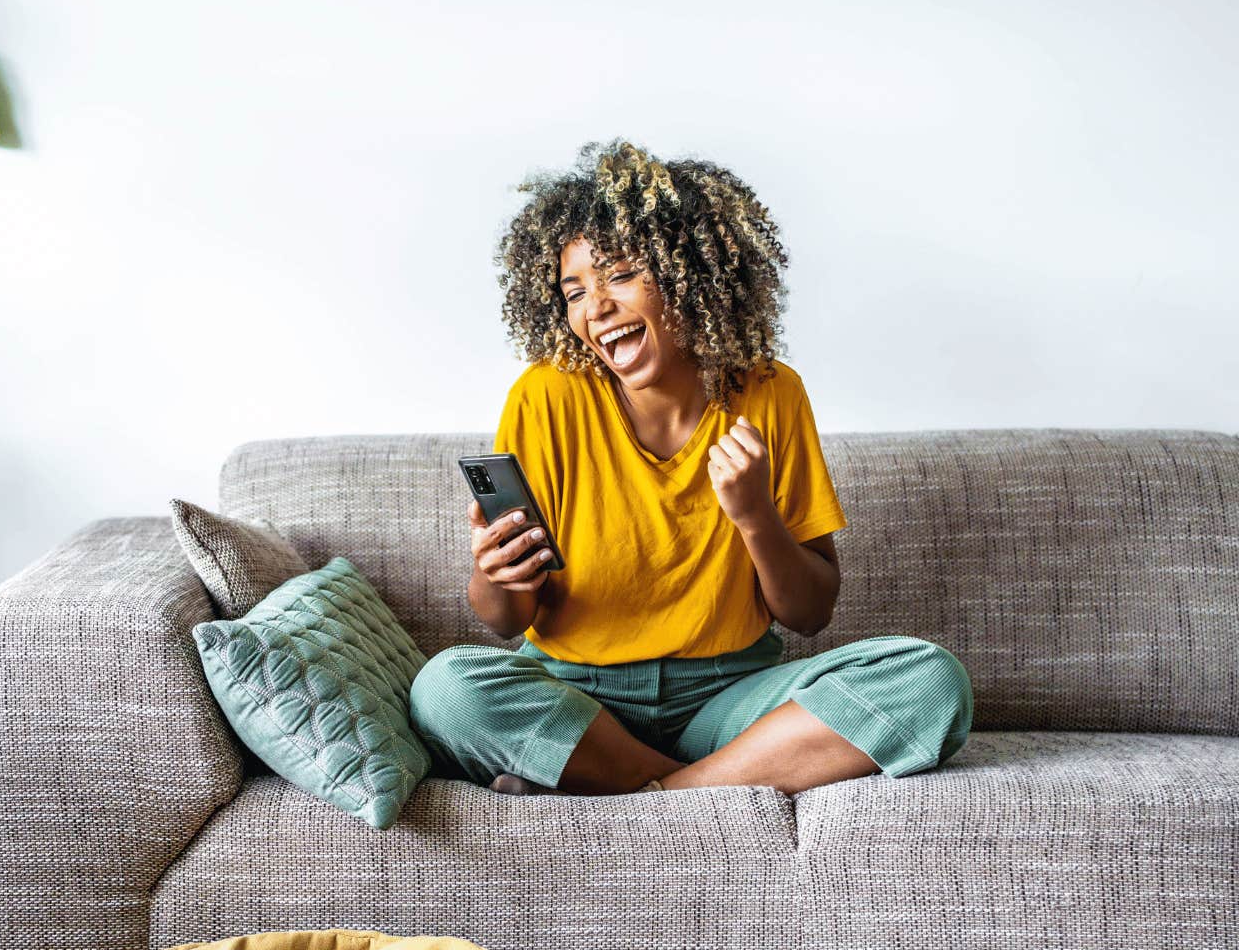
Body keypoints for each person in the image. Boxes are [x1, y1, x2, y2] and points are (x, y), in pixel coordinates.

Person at [409, 139, 973, 797]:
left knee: (930, 680)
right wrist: (491, 571)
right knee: (444, 691)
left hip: (730, 699)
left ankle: (637, 793)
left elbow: (810, 614)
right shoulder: (546, 396)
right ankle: (709, 787)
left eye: (620, 275)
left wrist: (756, 516)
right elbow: (505, 620)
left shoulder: (770, 393)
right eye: (575, 291)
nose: (595, 308)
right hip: (578, 699)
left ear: (690, 273)